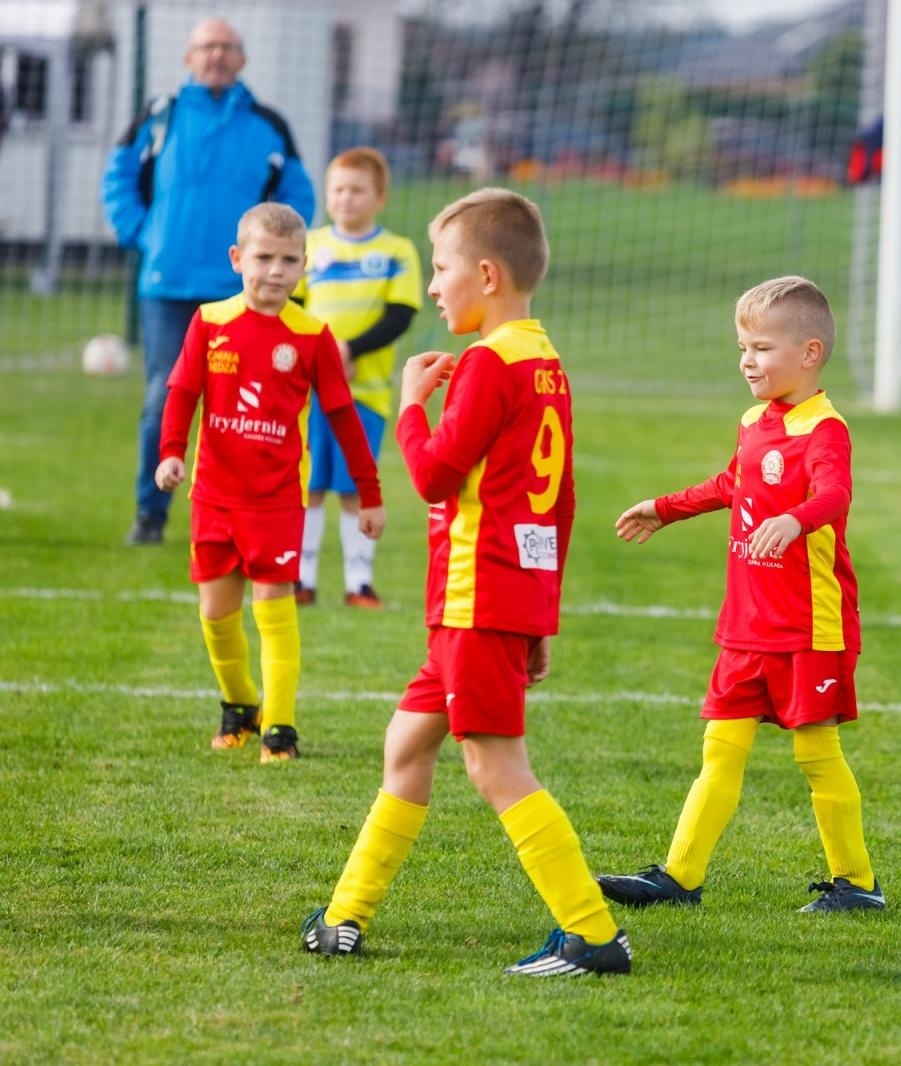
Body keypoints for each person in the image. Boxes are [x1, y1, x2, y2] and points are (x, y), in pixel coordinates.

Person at [301, 188, 631, 977]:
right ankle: (345, 915)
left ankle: (593, 935)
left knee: (494, 765)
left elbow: (434, 476)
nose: (433, 286)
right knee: (407, 742)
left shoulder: (488, 363)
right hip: (493, 599)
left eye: (442, 268)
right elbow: (558, 503)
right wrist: (540, 615)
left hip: (478, 598)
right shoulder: (543, 358)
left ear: (486, 274)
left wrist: (409, 406)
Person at [595, 276, 883, 915]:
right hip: (747, 626)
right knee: (719, 750)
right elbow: (733, 482)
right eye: (742, 348)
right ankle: (679, 877)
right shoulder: (754, 420)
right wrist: (665, 509)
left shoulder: (826, 428)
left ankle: (857, 884)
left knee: (816, 753)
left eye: (761, 348)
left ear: (809, 354)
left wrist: (797, 519)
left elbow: (834, 495)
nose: (747, 361)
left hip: (810, 626)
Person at [154, 204, 385, 762]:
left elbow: (343, 416)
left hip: (278, 502)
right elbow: (183, 391)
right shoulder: (209, 323)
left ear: (304, 267)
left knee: (274, 610)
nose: (275, 271)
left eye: (288, 260)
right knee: (215, 614)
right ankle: (239, 706)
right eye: (263, 258)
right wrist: (171, 453)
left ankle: (280, 728)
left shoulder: (311, 335)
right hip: (214, 496)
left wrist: (370, 493)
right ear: (238, 259)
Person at [104, 17, 315, 547]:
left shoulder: (269, 124)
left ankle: (243, 517)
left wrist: (277, 261)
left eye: (226, 47)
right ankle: (150, 515)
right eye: (206, 47)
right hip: (167, 284)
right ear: (188, 58)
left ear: (242, 59)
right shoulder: (159, 117)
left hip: (243, 290)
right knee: (164, 396)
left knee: (249, 402)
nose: (216, 55)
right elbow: (117, 178)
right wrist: (143, 234)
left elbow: (299, 194)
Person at [292, 147, 421, 609]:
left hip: (363, 394)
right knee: (308, 485)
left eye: (356, 190)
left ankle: (358, 583)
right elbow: (295, 308)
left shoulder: (395, 251)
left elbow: (401, 315)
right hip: (309, 395)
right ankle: (300, 579)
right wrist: (319, 354)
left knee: (353, 487)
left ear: (380, 197)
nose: (345, 199)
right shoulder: (311, 246)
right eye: (337, 190)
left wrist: (349, 350)